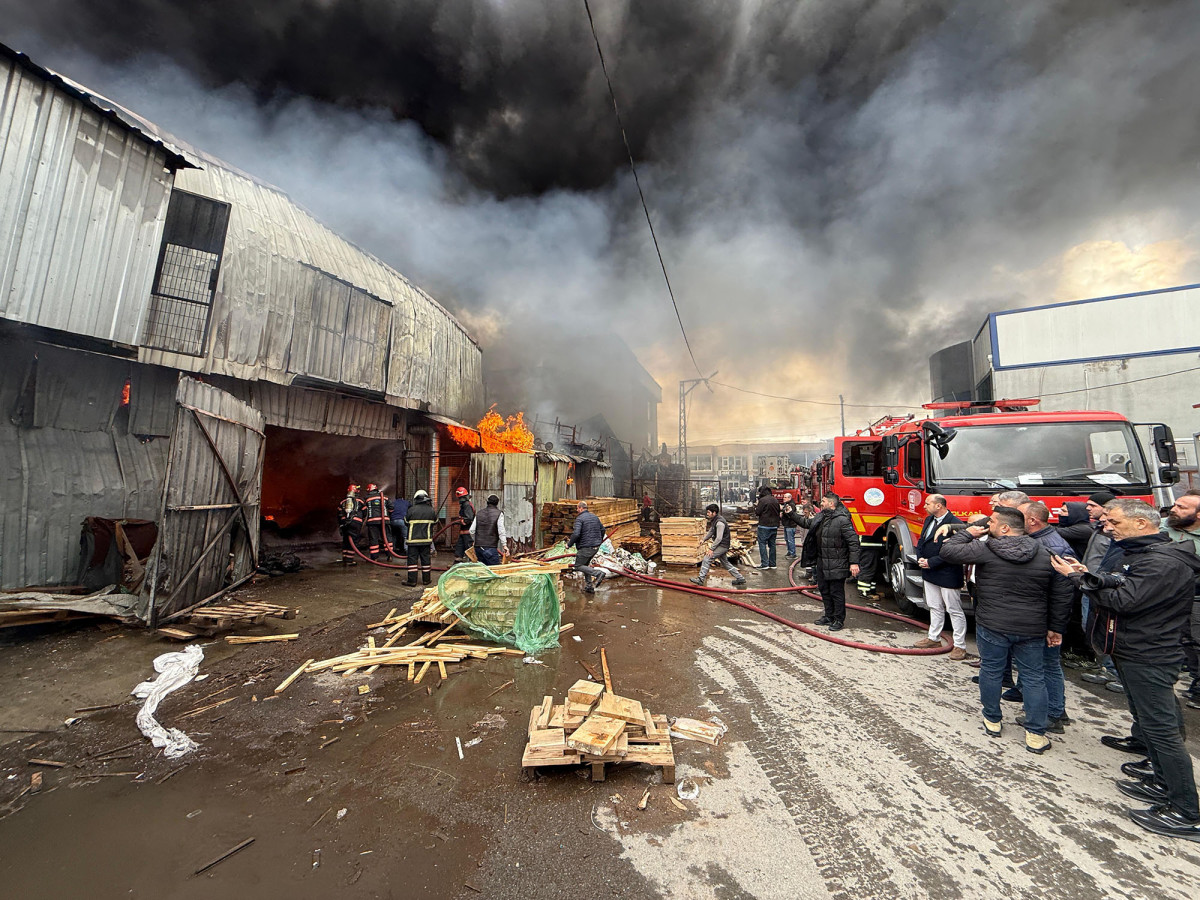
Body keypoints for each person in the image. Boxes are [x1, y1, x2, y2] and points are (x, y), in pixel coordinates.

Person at [1052, 498, 1200, 841]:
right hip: (1134, 650)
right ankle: (1162, 782)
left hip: (1149, 654)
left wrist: (1078, 580)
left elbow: (1124, 600)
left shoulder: (1161, 563)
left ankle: (1186, 811)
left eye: (1115, 522)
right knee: (1150, 721)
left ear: (1142, 525)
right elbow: (1120, 585)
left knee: (1162, 729)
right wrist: (1088, 575)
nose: (1107, 526)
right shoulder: (1142, 555)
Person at [939, 506, 1073, 753]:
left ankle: (992, 720)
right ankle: (1035, 734)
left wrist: (968, 532)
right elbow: (1061, 594)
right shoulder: (1047, 553)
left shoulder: (987, 549)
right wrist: (1056, 627)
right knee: (1034, 677)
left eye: (991, 522)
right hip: (1032, 628)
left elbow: (947, 550)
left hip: (993, 624)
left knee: (991, 670)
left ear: (1004, 528)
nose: (987, 525)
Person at [1018, 501, 1077, 733]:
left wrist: (1055, 626)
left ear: (1033, 520)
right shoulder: (1040, 540)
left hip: (1045, 619)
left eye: (1019, 516)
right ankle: (1054, 709)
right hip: (1040, 617)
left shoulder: (1055, 547)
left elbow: (1063, 593)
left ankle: (1053, 714)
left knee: (1047, 665)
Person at [794, 494, 861, 632]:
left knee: (836, 592)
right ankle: (829, 616)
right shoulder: (822, 517)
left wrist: (854, 563)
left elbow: (853, 542)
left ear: (831, 504)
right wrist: (790, 514)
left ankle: (838, 619)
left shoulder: (843, 520)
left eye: (823, 501)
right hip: (822, 562)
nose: (821, 503)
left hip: (838, 563)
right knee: (824, 590)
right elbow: (807, 523)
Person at [912, 494, 967, 659]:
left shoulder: (956, 524)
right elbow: (922, 541)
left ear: (939, 506)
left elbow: (954, 551)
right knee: (934, 606)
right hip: (929, 571)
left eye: (928, 503)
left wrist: (932, 562)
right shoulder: (929, 520)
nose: (924, 506)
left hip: (947, 573)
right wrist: (920, 558)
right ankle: (933, 638)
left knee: (954, 609)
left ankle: (959, 645)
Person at [1162, 490, 1200, 709]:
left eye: (1182, 507)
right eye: (1175, 505)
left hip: (1195, 598)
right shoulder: (1162, 530)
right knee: (1180, 641)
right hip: (1163, 600)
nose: (1174, 510)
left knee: (1196, 641)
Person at [691, 503, 746, 587]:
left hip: (722, 546)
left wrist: (712, 549)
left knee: (707, 558)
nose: (707, 514)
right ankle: (740, 578)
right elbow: (711, 531)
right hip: (722, 545)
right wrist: (704, 539)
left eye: (709, 512)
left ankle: (701, 579)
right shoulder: (715, 520)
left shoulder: (720, 523)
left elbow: (719, 538)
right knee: (725, 563)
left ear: (714, 513)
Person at [566, 500, 607, 594]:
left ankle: (598, 573)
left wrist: (569, 544)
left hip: (586, 547)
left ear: (580, 508)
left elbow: (576, 534)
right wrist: (598, 541)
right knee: (585, 565)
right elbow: (603, 530)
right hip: (595, 547)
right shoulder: (595, 517)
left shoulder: (580, 519)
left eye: (577, 508)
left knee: (578, 565)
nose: (577, 510)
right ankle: (589, 586)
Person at [404, 489, 437, 586]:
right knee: (426, 560)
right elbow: (435, 522)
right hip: (426, 541)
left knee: (412, 561)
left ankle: (412, 581)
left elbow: (406, 522)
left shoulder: (411, 510)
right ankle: (426, 580)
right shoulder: (431, 510)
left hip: (412, 541)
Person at [470, 494, 509, 565]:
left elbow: (471, 530)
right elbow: (501, 530)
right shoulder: (499, 514)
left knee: (483, 571)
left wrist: (475, 540)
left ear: (487, 502)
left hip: (478, 548)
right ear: (497, 503)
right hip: (490, 547)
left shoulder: (479, 513)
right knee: (494, 571)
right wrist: (504, 545)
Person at [337, 483, 365, 565]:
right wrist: (361, 520)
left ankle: (345, 558)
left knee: (346, 540)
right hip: (355, 523)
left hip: (344, 523)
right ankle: (349, 560)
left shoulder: (343, 502)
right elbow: (365, 512)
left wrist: (341, 524)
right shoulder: (360, 501)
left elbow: (338, 514)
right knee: (353, 541)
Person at [363, 483, 392, 560]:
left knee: (374, 539)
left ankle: (374, 557)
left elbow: (364, 510)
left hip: (372, 522)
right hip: (384, 521)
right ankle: (390, 556)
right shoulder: (385, 497)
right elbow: (391, 508)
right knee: (387, 538)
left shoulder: (366, 498)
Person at [754, 486, 781, 569]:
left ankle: (764, 564)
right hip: (774, 526)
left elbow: (758, 512)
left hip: (764, 526)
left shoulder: (762, 500)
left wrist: (756, 506)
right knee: (772, 545)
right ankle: (773, 564)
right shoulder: (775, 500)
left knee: (762, 544)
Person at [453, 487, 475, 563]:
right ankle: (456, 566)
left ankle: (473, 565)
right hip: (463, 533)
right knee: (459, 551)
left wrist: (461, 521)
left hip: (467, 534)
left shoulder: (466, 505)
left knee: (470, 552)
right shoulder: (464, 505)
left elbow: (468, 518)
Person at [780, 493, 800, 560]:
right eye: (784, 497)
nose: (783, 498)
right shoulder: (787, 504)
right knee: (787, 539)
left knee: (790, 540)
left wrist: (782, 510)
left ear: (789, 498)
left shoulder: (791, 505)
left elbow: (789, 514)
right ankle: (789, 551)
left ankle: (793, 554)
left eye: (785, 497)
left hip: (790, 525)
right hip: (787, 525)